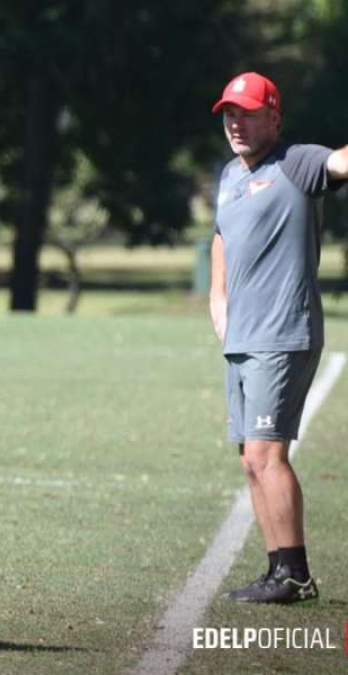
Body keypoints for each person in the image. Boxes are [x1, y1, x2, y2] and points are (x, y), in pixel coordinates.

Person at [209, 71, 348, 603]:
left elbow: (340, 163)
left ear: (274, 118)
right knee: (250, 458)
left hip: (284, 334)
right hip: (242, 339)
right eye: (229, 114)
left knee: (269, 455)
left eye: (247, 114)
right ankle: (277, 571)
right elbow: (222, 234)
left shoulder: (297, 162)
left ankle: (296, 575)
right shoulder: (229, 174)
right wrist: (217, 299)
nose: (236, 123)